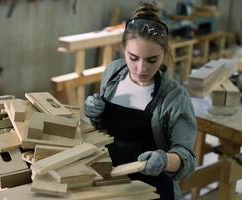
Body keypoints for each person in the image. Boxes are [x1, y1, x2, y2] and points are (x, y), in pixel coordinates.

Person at [84, 1, 197, 200]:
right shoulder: (112, 74)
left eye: (152, 60)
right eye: (133, 58)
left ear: (165, 53)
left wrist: (164, 160)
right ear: (123, 49)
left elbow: (186, 158)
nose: (141, 69)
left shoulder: (175, 98)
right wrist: (96, 115)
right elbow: (104, 131)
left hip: (153, 191)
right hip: (109, 183)